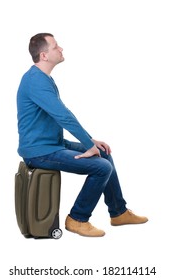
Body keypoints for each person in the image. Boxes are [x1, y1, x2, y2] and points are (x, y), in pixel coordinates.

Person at [17, 33, 148, 237]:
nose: (61, 49)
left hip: (52, 144)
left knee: (103, 153)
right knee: (101, 167)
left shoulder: (43, 78)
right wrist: (87, 144)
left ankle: (118, 212)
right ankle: (78, 218)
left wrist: (92, 141)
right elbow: (63, 117)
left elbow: (64, 114)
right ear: (44, 55)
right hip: (39, 151)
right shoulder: (35, 81)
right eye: (56, 47)